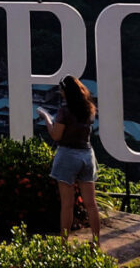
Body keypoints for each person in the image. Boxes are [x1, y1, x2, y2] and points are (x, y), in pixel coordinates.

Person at [40, 75, 101, 243]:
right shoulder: (89, 108)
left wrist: (46, 118)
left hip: (68, 155)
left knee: (67, 204)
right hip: (87, 155)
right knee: (91, 204)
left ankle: (64, 244)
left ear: (65, 91)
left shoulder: (65, 111)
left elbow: (56, 135)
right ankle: (96, 243)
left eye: (61, 90)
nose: (60, 93)